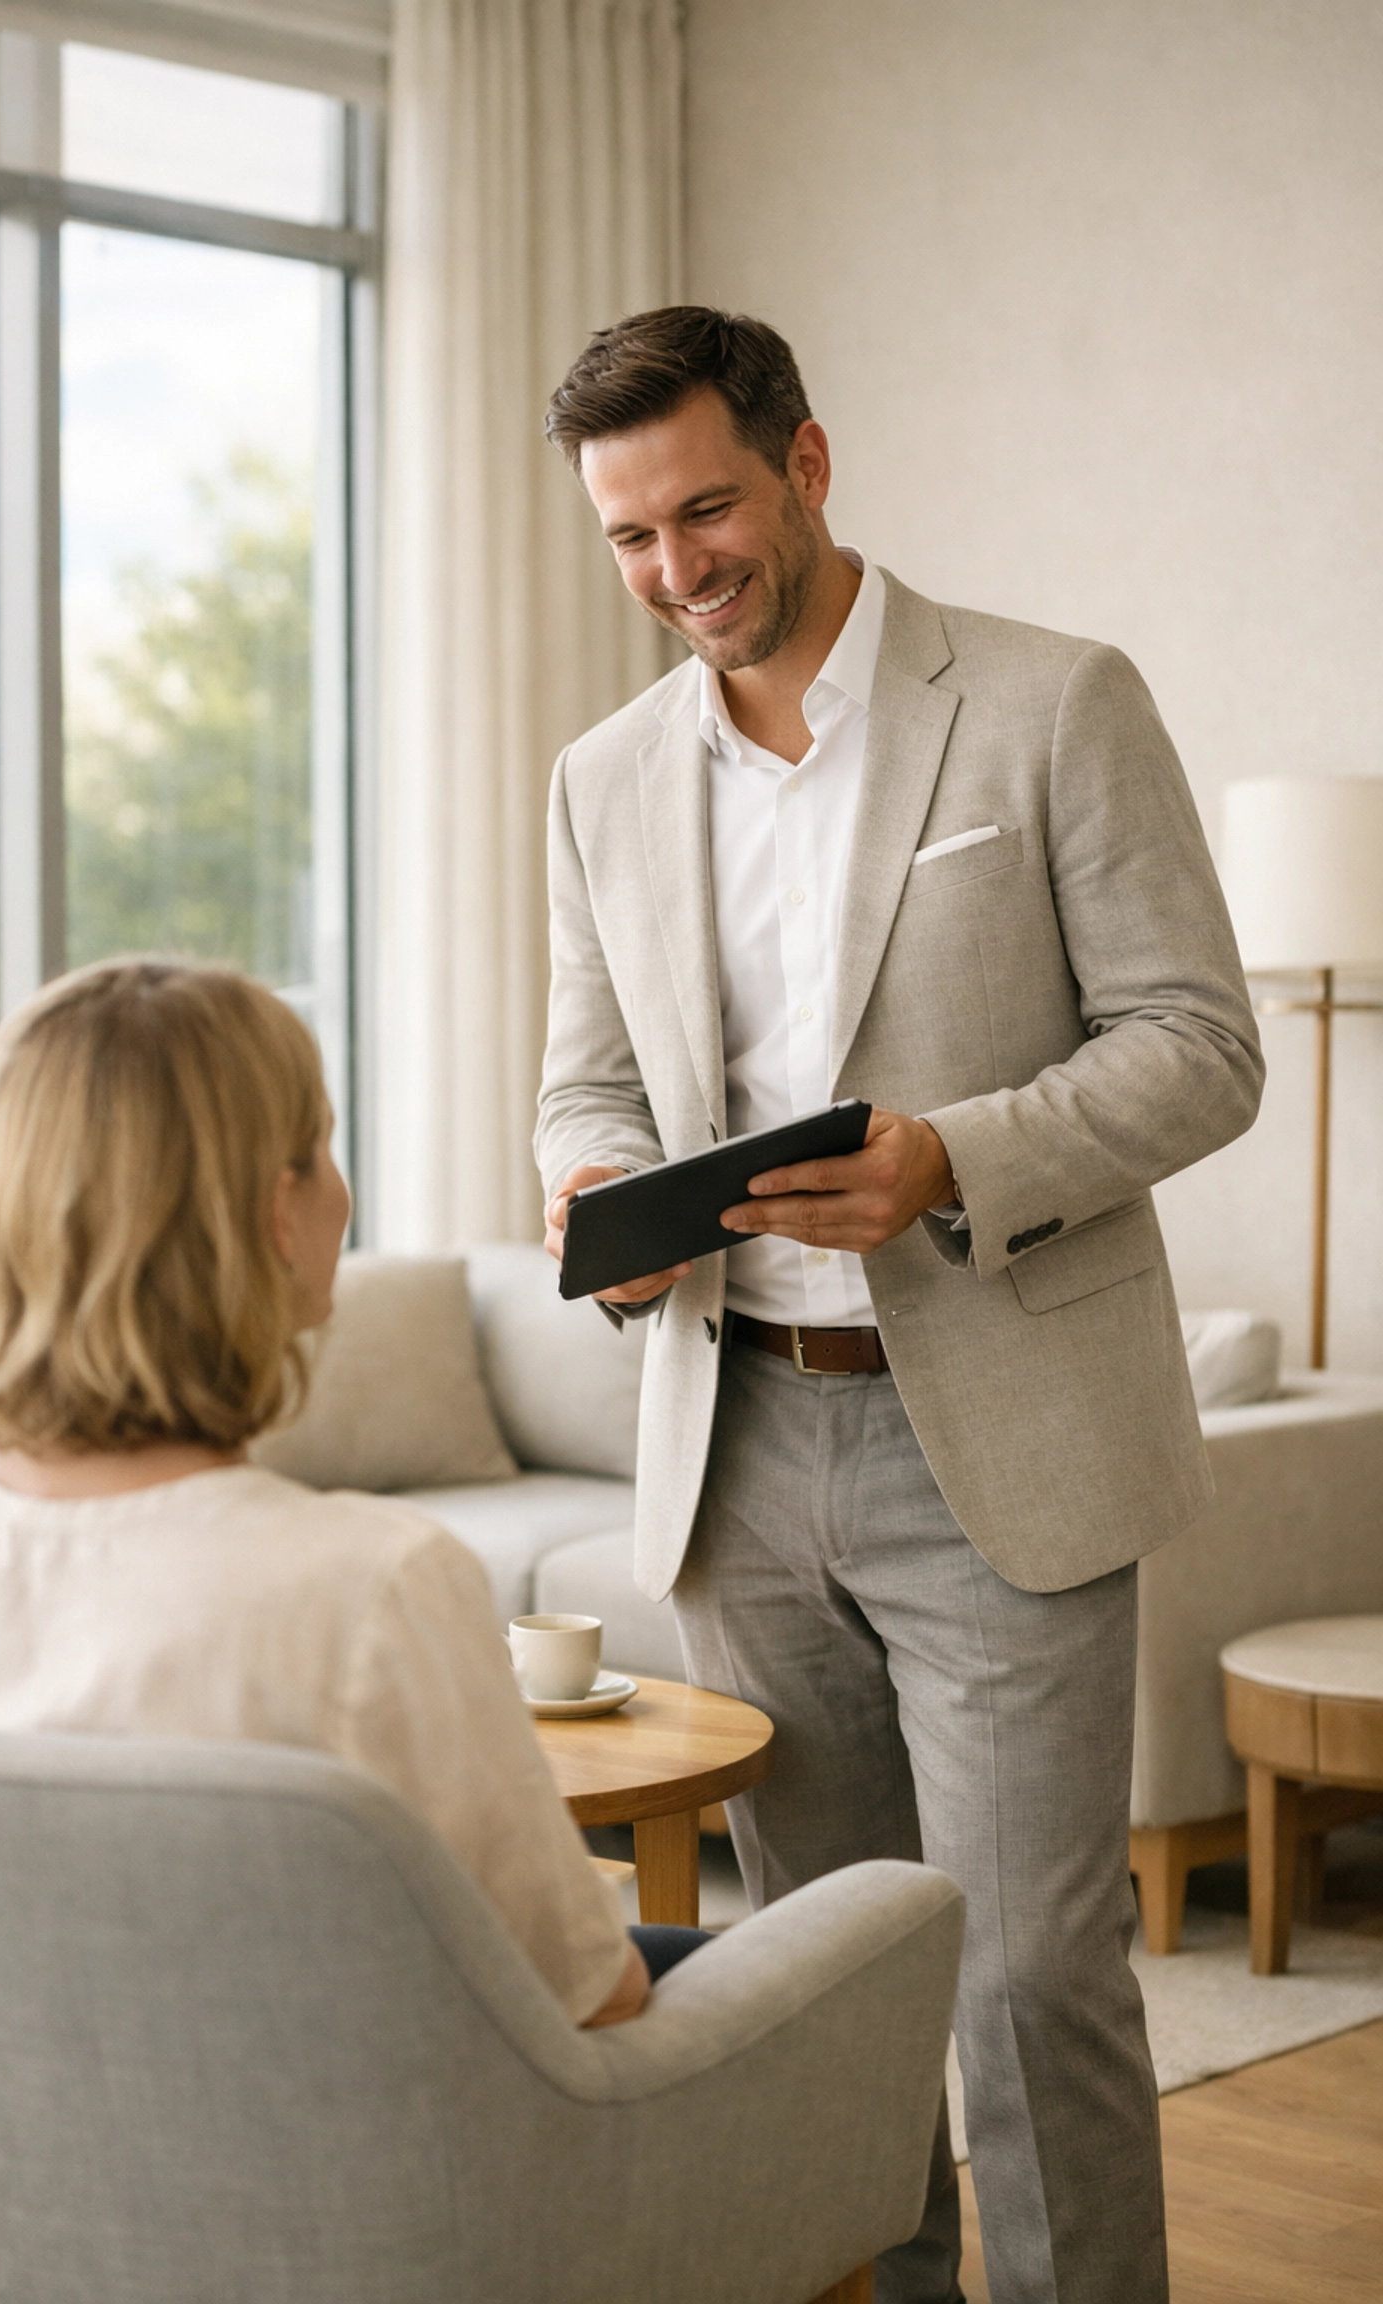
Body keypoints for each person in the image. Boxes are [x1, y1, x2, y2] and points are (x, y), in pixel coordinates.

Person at [536, 307, 1264, 2302]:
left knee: (1026, 1977)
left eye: (706, 509)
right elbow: (585, 1081)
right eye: (629, 537)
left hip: (1000, 1442)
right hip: (738, 1442)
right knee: (836, 1978)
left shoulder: (1047, 704)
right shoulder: (600, 780)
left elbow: (1204, 1047)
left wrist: (957, 1157)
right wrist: (592, 1188)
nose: (676, 570)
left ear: (809, 463)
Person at [0, 957, 679, 2027]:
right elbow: (587, 1990)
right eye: (323, 1147)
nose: (343, 1190)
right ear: (280, 1215)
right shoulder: (376, 1586)